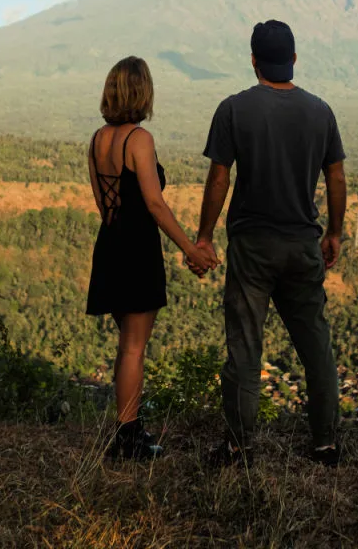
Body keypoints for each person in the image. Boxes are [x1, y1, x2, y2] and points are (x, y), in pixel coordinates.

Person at [195, 20, 347, 467]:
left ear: (254, 60)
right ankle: (325, 444)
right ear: (294, 59)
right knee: (316, 345)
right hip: (303, 244)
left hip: (253, 246)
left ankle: (240, 447)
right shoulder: (321, 111)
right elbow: (335, 175)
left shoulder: (234, 109)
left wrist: (203, 236)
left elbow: (219, 176)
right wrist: (334, 232)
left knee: (245, 346)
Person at [87, 56, 217, 461]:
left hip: (109, 245)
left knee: (126, 345)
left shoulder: (97, 139)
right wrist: (191, 249)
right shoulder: (138, 140)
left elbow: (103, 205)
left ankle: (128, 432)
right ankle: (128, 439)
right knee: (134, 348)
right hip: (138, 250)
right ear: (142, 93)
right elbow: (155, 205)